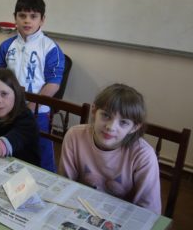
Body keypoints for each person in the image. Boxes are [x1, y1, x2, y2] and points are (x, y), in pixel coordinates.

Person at [59, 83, 161, 214]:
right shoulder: (74, 135)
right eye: (106, 115)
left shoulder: (143, 155)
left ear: (134, 127)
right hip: (80, 208)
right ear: (94, 111)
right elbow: (65, 184)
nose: (111, 127)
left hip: (122, 218)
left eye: (123, 122)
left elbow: (149, 210)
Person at [0, 0, 65, 172]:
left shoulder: (50, 48)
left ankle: (48, 179)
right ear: (15, 18)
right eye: (22, 15)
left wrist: (32, 105)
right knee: (9, 145)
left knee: (41, 150)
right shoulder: (6, 46)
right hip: (9, 107)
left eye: (33, 16)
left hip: (38, 112)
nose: (27, 21)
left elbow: (53, 83)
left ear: (42, 20)